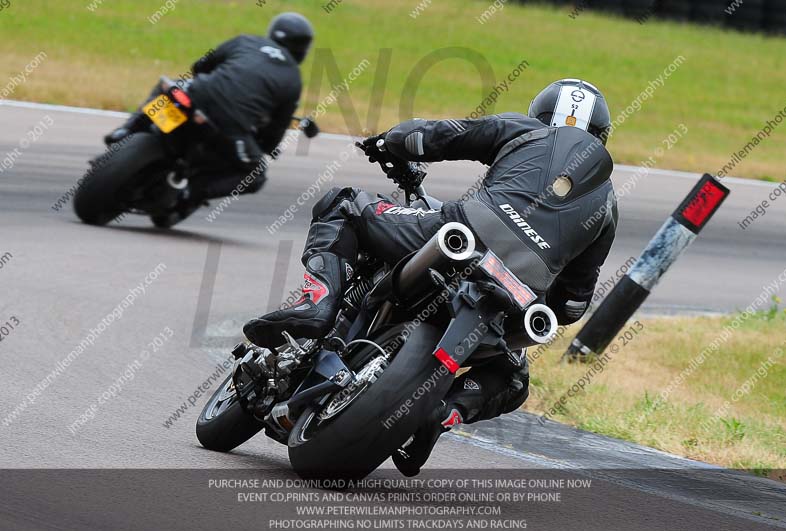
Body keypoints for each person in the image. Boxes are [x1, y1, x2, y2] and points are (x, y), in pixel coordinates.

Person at [244, 79, 618, 476]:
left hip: (462, 232)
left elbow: (434, 137)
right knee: (513, 379)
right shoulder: (608, 203)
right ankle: (441, 415)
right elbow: (572, 303)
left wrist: (390, 142)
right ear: (602, 136)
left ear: (539, 115)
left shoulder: (525, 130)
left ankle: (316, 304)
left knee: (345, 203)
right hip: (519, 292)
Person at [103, 12, 313, 201]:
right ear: (302, 49)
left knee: (169, 88)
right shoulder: (293, 78)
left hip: (197, 96)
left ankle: (128, 129)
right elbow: (276, 128)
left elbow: (201, 66)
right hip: (229, 126)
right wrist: (267, 146)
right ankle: (187, 194)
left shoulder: (245, 41)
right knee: (255, 174)